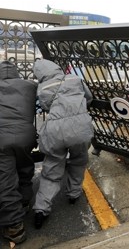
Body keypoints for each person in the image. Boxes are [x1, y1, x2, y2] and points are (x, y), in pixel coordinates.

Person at [32, 59, 94, 229]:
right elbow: (88, 98)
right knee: (78, 161)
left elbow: (45, 107)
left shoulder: (42, 88)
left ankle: (41, 210)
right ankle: (73, 194)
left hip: (55, 131)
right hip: (80, 129)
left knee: (51, 169)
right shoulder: (74, 78)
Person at [0, 60, 38, 244]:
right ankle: (24, 200)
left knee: (5, 180)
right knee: (24, 166)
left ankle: (14, 227)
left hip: (2, 138)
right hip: (26, 136)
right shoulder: (29, 85)